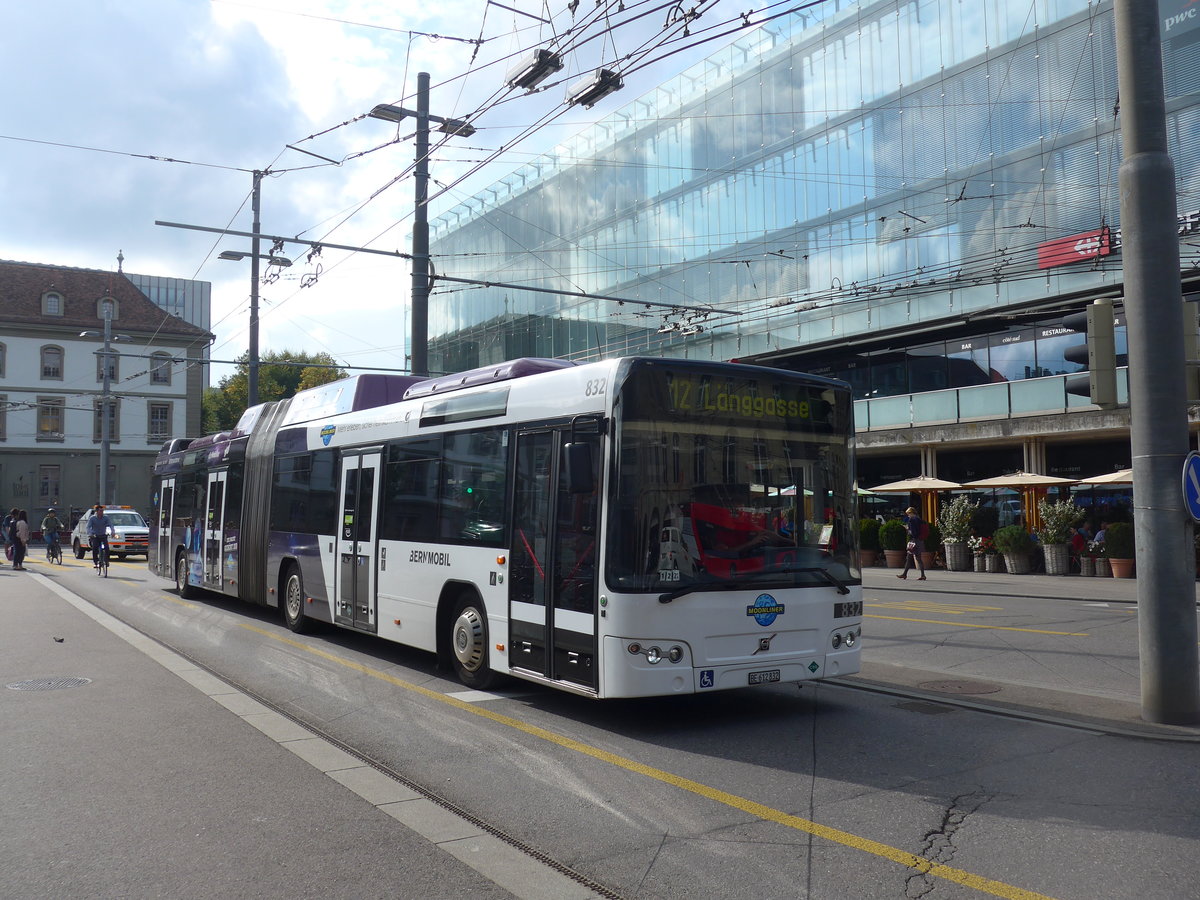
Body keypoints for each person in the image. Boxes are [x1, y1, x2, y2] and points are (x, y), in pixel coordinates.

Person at [897, 506, 927, 580]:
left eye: (908, 514)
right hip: (919, 541)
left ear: (911, 513)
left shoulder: (912, 520)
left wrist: (907, 529)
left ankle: (906, 574)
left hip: (914, 541)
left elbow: (914, 532)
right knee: (914, 558)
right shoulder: (919, 519)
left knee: (911, 558)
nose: (908, 515)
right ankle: (906, 574)